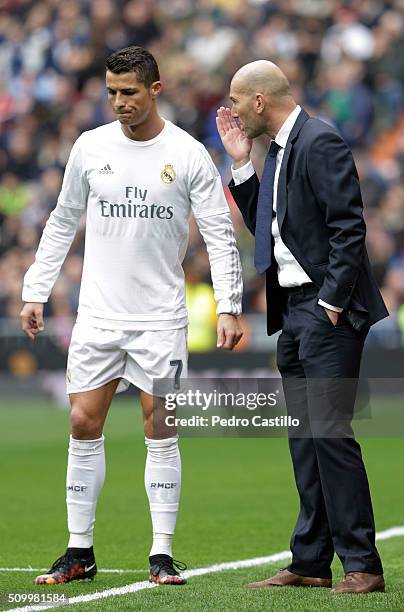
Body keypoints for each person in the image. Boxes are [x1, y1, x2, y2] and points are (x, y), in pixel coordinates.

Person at [21, 45, 243, 586]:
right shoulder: (89, 146)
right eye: (112, 92)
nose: (119, 102)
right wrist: (36, 288)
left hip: (160, 319)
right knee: (81, 423)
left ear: (155, 90)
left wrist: (229, 303)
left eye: (129, 92)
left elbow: (218, 231)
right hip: (98, 315)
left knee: (161, 429)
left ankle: (162, 555)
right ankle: (80, 551)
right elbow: (62, 218)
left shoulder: (187, 153)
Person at [216, 60, 388, 595]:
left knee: (330, 434)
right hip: (294, 312)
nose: (234, 113)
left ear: (261, 102)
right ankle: (311, 562)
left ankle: (363, 564)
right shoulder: (286, 148)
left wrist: (331, 305)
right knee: (306, 439)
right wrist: (243, 166)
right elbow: (270, 227)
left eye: (238, 102)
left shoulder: (319, 141)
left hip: (324, 310)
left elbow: (349, 227)